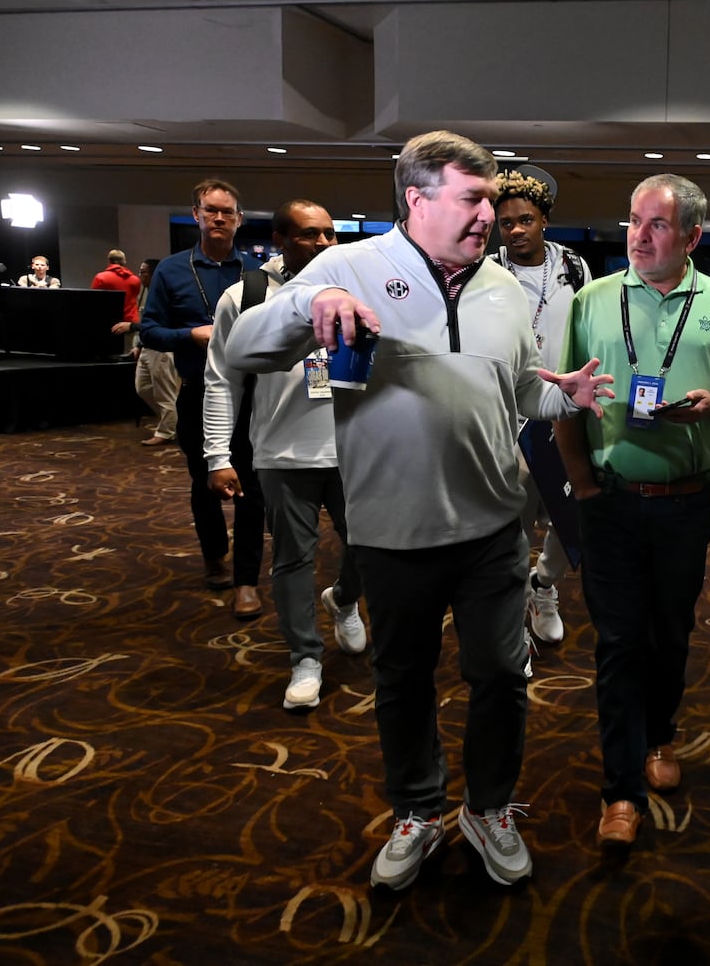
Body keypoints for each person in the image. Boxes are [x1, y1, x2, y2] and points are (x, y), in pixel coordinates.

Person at [220, 130, 613, 891]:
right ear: (417, 199)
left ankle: (489, 806)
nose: (489, 217)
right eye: (473, 200)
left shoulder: (499, 284)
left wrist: (562, 391)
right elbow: (243, 349)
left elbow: (517, 390)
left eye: (493, 202)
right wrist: (315, 303)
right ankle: (419, 809)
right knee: (404, 679)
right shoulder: (350, 267)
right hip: (393, 530)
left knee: (501, 675)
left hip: (495, 527)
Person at [554, 173, 710, 848]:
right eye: (633, 222)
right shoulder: (592, 299)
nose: (638, 237)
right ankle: (620, 791)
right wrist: (582, 484)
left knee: (669, 633)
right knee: (617, 642)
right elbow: (564, 397)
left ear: (694, 237)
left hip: (686, 500)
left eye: (658, 226)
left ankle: (661, 736)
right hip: (610, 502)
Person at [203, 199, 365, 709]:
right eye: (308, 235)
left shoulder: (353, 293)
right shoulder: (246, 296)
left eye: (329, 235)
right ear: (279, 240)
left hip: (352, 448)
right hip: (282, 452)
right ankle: (306, 658)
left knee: (371, 546)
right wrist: (217, 455)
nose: (322, 244)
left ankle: (342, 598)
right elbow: (221, 380)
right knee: (293, 559)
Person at [139, 180, 264, 606]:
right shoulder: (172, 270)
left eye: (227, 212)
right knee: (204, 481)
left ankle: (247, 578)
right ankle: (215, 557)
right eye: (210, 211)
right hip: (196, 392)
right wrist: (190, 335)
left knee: (253, 487)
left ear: (239, 219)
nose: (218, 218)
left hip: (251, 397)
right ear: (196, 214)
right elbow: (149, 330)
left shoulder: (255, 272)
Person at [488, 169, 593, 647]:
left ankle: (544, 585)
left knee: (569, 511)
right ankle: (511, 630)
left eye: (524, 220)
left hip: (563, 412)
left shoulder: (574, 266)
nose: (514, 230)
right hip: (509, 417)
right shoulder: (487, 271)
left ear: (544, 220)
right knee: (514, 522)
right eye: (505, 222)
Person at [133, 258, 180, 447]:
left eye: (143, 272)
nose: (140, 275)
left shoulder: (168, 293)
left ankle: (167, 431)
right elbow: (145, 320)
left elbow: (160, 324)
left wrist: (131, 327)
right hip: (147, 347)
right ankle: (172, 422)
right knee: (143, 388)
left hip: (162, 349)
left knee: (165, 394)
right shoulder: (146, 292)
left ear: (154, 274)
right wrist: (138, 343)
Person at [95, 249, 143, 353]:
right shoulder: (135, 280)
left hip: (108, 324)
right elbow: (135, 296)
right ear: (124, 261)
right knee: (130, 354)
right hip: (130, 323)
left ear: (109, 261)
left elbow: (94, 301)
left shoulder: (101, 278)